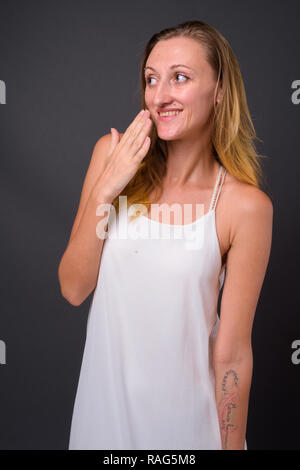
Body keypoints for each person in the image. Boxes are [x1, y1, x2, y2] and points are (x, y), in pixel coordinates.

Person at [58, 20, 273, 450]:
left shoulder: (244, 207)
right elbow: (74, 287)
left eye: (180, 77)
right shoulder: (111, 156)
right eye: (151, 79)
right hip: (103, 428)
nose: (161, 96)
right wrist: (107, 186)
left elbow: (232, 355)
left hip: (190, 436)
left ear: (220, 90)